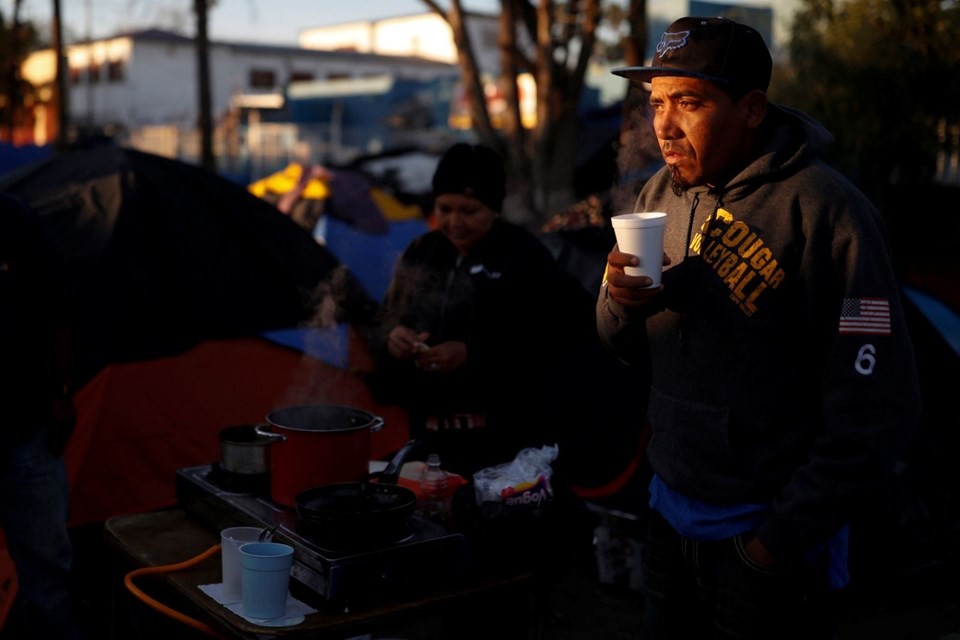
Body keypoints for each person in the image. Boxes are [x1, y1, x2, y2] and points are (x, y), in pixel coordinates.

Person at [596, 16, 922, 640]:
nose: (663, 125)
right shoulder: (657, 195)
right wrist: (619, 302)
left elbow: (879, 406)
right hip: (668, 516)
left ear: (751, 109)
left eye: (687, 102)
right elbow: (618, 346)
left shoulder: (827, 212)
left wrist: (777, 542)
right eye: (656, 102)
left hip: (766, 537)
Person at [368, 141, 595, 479]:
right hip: (428, 435)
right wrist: (392, 338)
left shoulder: (524, 257)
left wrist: (472, 353)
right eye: (445, 209)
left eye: (469, 211)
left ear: (494, 208)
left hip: (505, 439)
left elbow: (556, 339)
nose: (454, 222)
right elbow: (386, 320)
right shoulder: (422, 252)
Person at [0, 193, 81, 640]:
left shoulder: (12, 217)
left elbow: (58, 308)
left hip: (26, 427)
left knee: (48, 570)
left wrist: (61, 392)